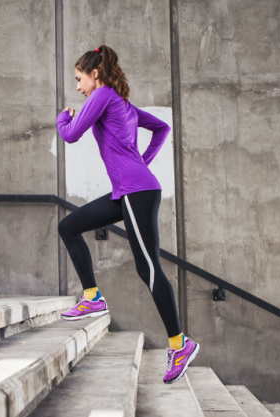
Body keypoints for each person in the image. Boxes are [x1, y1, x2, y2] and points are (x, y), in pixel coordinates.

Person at [56, 45, 199, 384]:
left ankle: (180, 344)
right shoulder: (122, 103)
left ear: (95, 74)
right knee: (69, 226)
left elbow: (71, 134)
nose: (78, 88)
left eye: (79, 80)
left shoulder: (103, 95)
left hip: (136, 191)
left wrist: (64, 117)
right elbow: (161, 128)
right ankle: (92, 298)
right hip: (130, 190)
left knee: (148, 268)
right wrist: (142, 164)